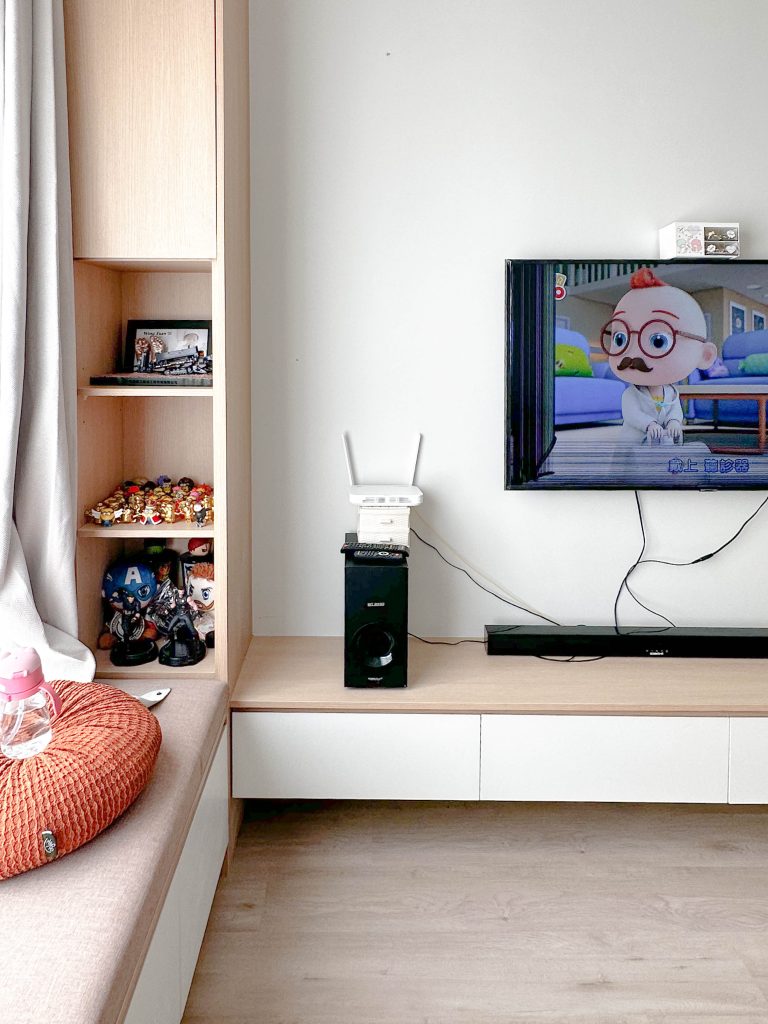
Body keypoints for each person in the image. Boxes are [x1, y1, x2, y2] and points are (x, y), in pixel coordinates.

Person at [601, 267, 718, 445]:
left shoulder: (671, 393)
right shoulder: (630, 395)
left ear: (705, 355)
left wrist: (674, 422)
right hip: (635, 443)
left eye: (658, 341)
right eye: (620, 339)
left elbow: (675, 411)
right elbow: (632, 414)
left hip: (664, 441)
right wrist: (649, 424)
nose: (634, 355)